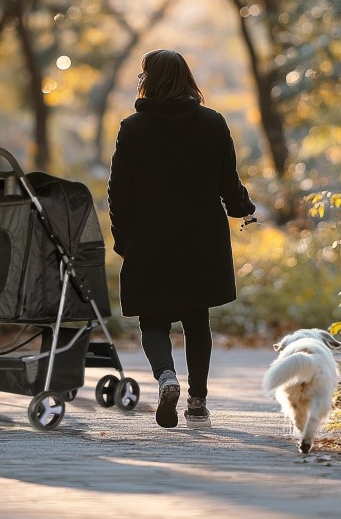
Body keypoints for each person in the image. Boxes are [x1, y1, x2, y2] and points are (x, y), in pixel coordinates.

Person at [107, 49, 255, 429]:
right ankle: (198, 401)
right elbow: (228, 182)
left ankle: (166, 377)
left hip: (149, 234)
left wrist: (124, 239)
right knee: (196, 318)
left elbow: (118, 191)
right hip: (201, 235)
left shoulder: (132, 128)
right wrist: (243, 206)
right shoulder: (212, 123)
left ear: (149, 80)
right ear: (187, 78)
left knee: (152, 318)